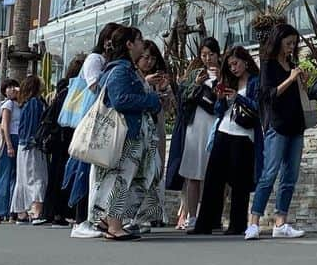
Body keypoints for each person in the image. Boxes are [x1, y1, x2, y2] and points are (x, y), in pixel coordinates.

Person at [90, 26, 162, 241]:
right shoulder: (121, 70)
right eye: (139, 40)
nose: (142, 44)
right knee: (122, 176)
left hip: (123, 132)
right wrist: (151, 101)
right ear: (129, 44)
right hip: (125, 133)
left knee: (122, 176)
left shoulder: (118, 68)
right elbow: (120, 100)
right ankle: (114, 225)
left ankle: (110, 220)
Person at [246, 24, 308, 242]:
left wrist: (300, 81)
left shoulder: (292, 64)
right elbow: (267, 95)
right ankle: (253, 222)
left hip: (296, 124)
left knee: (290, 176)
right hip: (277, 124)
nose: (291, 47)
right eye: (288, 43)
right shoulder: (268, 65)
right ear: (278, 41)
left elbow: (295, 94)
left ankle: (281, 221)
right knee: (269, 174)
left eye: (294, 43)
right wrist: (290, 79)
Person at [194, 46, 263, 237]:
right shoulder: (229, 81)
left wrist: (238, 99)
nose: (233, 68)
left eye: (236, 63)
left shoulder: (255, 82)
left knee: (239, 182)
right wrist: (221, 98)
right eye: (230, 65)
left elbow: (259, 108)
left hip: (244, 136)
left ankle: (237, 224)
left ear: (245, 61)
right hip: (224, 130)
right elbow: (218, 110)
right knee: (213, 179)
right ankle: (204, 223)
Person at [68, 22, 120, 239]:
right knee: (84, 171)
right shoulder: (95, 59)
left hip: (102, 123)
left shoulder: (107, 61)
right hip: (91, 121)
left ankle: (92, 219)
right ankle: (81, 220)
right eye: (111, 38)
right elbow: (94, 86)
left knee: (94, 172)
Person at [127, 40, 176, 234]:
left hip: (157, 126)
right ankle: (132, 215)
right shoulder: (133, 76)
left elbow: (168, 108)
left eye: (153, 58)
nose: (149, 62)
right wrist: (146, 84)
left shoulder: (158, 79)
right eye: (145, 57)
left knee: (154, 170)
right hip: (139, 129)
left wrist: (164, 90)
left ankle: (147, 215)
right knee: (137, 170)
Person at [173, 37, 222, 231]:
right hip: (196, 125)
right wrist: (195, 84)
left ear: (218, 54)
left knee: (215, 174)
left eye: (211, 54)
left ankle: (212, 216)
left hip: (216, 124)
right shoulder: (194, 73)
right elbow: (182, 100)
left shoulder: (226, 73)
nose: (207, 58)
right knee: (193, 173)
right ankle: (192, 216)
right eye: (203, 55)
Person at [40, 58, 83, 227]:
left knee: (55, 175)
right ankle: (61, 212)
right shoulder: (74, 92)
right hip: (67, 138)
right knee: (64, 175)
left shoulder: (61, 91)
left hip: (58, 138)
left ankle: (52, 212)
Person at [10, 76, 48, 225]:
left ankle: (21, 212)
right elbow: (34, 125)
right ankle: (36, 211)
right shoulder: (35, 103)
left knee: (23, 178)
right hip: (32, 145)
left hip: (23, 145)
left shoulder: (26, 103)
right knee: (37, 176)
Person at [0, 79, 21, 223]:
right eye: (8, 87)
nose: (12, 89)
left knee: (15, 176)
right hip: (10, 139)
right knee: (4, 174)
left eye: (14, 87)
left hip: (18, 139)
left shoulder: (19, 104)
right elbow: (5, 125)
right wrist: (9, 144)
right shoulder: (7, 104)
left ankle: (11, 210)